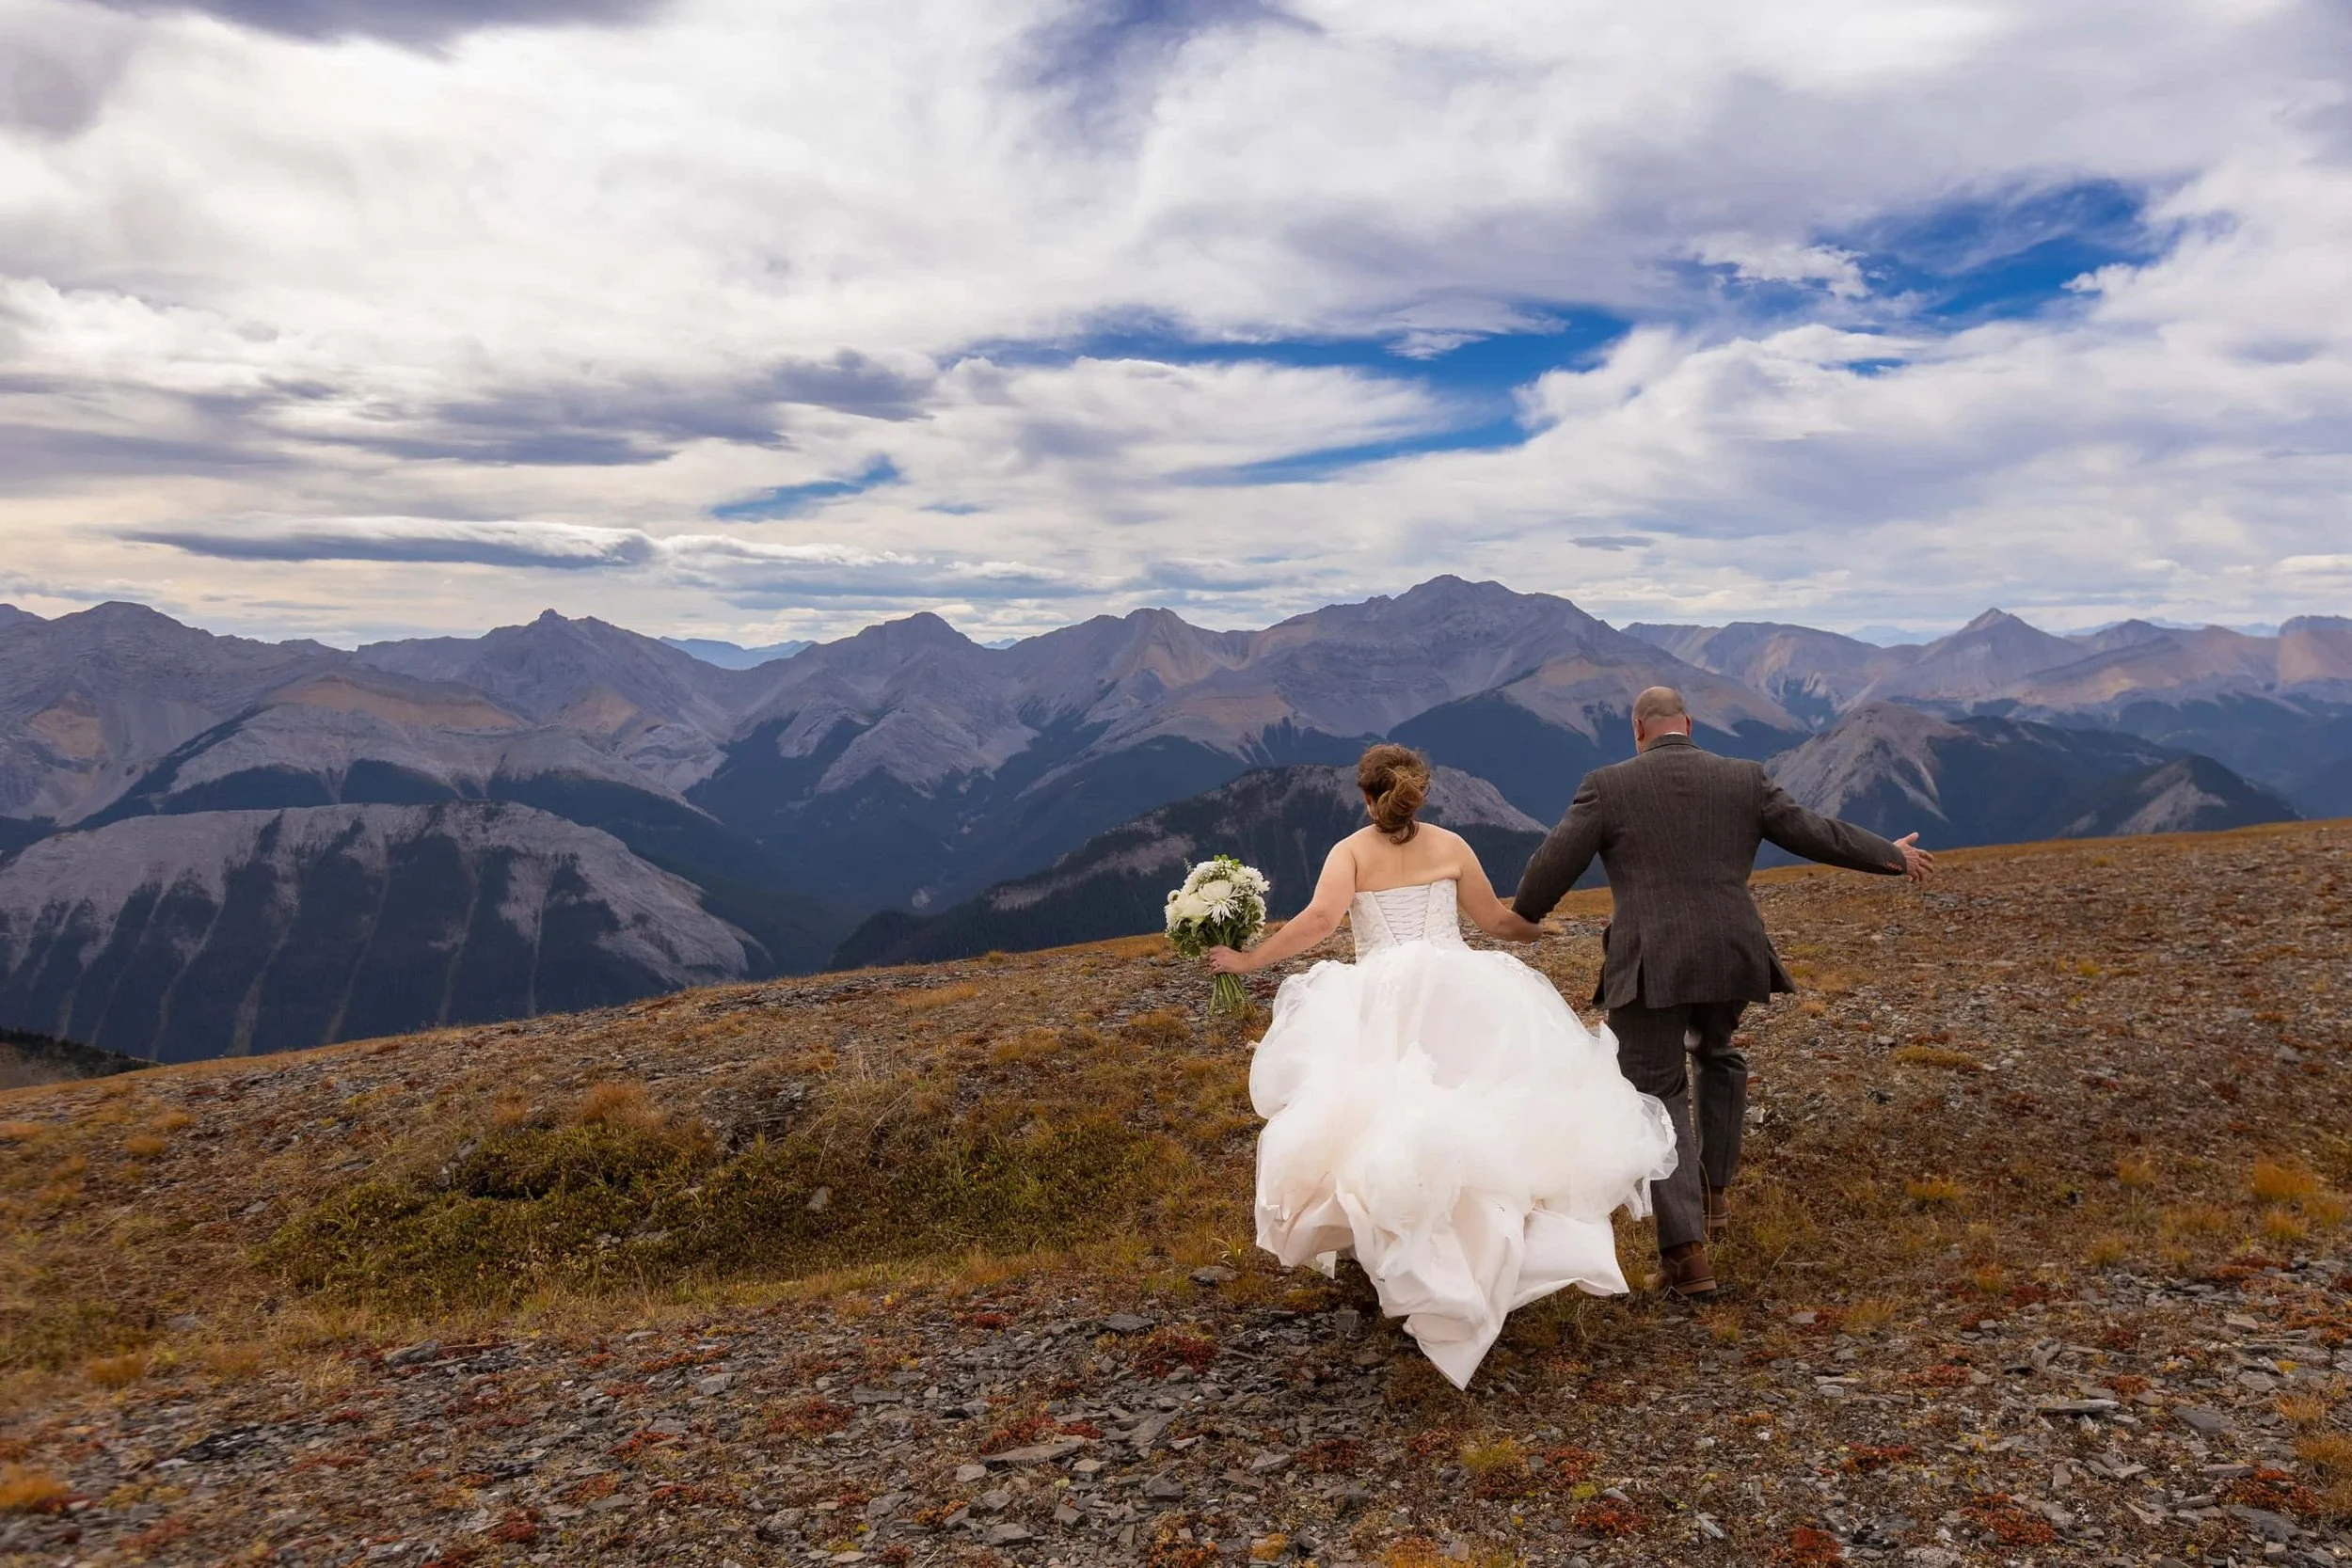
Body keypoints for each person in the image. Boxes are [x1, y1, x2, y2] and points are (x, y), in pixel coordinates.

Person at [1204, 744, 1678, 1388]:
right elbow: (1496, 921)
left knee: (1385, 1122)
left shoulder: (1350, 852)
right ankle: (1495, 1250)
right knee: (1491, 1114)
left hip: (1387, 1000)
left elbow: (1318, 920)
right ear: (1419, 792)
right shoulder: (1452, 845)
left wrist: (1248, 960)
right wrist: (1539, 933)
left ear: (1366, 796)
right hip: (1465, 993)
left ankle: (1410, 1254)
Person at [1513, 686, 1935, 1298]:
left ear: (1637, 729)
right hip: (1733, 951)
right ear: (1689, 724)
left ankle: (1686, 1257)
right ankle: (1714, 1193)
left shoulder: (1607, 786)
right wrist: (1889, 856)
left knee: (1656, 1093)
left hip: (1652, 961)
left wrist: (1526, 913)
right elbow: (1816, 833)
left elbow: (1551, 868)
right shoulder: (1744, 777)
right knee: (1717, 1051)